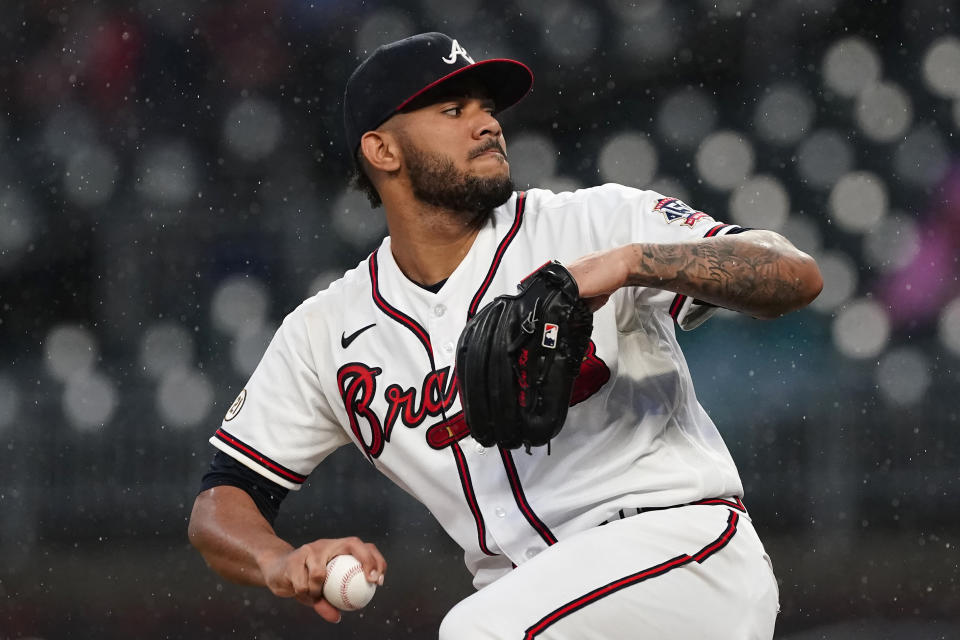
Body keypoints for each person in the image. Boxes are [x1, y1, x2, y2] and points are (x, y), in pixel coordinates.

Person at [188, 32, 822, 639]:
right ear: (382, 150)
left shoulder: (593, 223)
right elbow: (224, 495)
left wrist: (631, 262)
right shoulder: (326, 332)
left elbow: (794, 276)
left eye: (488, 108)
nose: (487, 123)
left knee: (478, 630)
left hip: (677, 551)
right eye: (453, 108)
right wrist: (276, 561)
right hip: (539, 596)